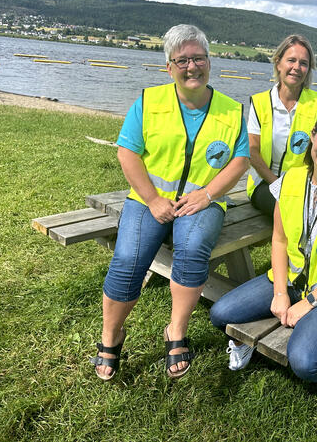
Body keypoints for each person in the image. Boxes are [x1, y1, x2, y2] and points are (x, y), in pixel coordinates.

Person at [90, 24, 250, 381]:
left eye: (199, 58)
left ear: (210, 62)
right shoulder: (148, 102)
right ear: (169, 67)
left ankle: (176, 330)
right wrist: (152, 199)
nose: (192, 67)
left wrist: (208, 195)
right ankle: (111, 334)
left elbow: (239, 161)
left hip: (203, 202)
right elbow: (127, 152)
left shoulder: (232, 111)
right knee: (129, 258)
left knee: (192, 250)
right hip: (148, 201)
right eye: (182, 60)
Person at [210, 105, 317, 421]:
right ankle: (247, 342)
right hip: (291, 279)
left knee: (305, 362)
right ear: (313, 137)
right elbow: (279, 240)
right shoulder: (290, 180)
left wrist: (309, 302)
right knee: (221, 314)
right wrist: (280, 292)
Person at [246, 34, 317, 219]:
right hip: (265, 182)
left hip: (304, 184)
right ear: (278, 63)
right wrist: (277, 183)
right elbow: (252, 151)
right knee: (294, 210)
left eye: (304, 63)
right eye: (291, 60)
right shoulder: (260, 103)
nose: (297, 68)